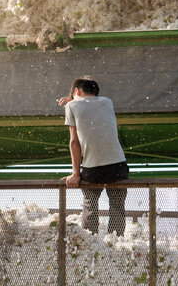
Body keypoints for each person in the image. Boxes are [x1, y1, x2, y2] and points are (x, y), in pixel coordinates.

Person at [58, 78, 129, 236]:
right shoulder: (107, 102)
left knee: (90, 206)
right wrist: (74, 100)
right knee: (117, 207)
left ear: (77, 91)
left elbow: (74, 142)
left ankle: (91, 243)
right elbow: (90, 105)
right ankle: (115, 244)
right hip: (117, 166)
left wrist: (76, 174)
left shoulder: (71, 106)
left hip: (93, 170)